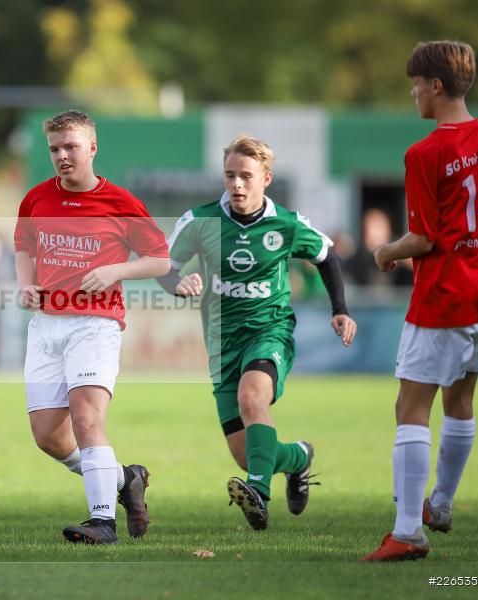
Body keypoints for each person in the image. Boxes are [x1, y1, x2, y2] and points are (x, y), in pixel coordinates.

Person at [158, 133, 357, 530]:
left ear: (266, 178)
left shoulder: (285, 224)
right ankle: (299, 457)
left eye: (246, 176)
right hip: (221, 343)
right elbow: (163, 265)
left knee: (253, 398)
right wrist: (177, 283)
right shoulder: (200, 221)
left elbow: (326, 254)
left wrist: (340, 310)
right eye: (230, 175)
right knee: (249, 456)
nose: (236, 184)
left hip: (270, 331)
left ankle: (258, 495)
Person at [361, 41, 478, 562]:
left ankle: (407, 533)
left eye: (416, 83)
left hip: (443, 298)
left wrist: (384, 253)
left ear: (436, 86)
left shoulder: (426, 152)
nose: (413, 92)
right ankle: (440, 505)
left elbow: (424, 238)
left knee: (411, 407)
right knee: (461, 400)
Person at [14, 110, 170, 544]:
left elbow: (160, 259)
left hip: (95, 323)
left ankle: (102, 521)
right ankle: (125, 479)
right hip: (46, 325)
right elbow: (24, 246)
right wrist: (25, 286)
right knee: (47, 436)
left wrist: (115, 270)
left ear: (92, 148)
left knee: (86, 418)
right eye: (55, 149)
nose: (62, 156)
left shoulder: (120, 202)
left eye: (71, 147)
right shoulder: (36, 199)